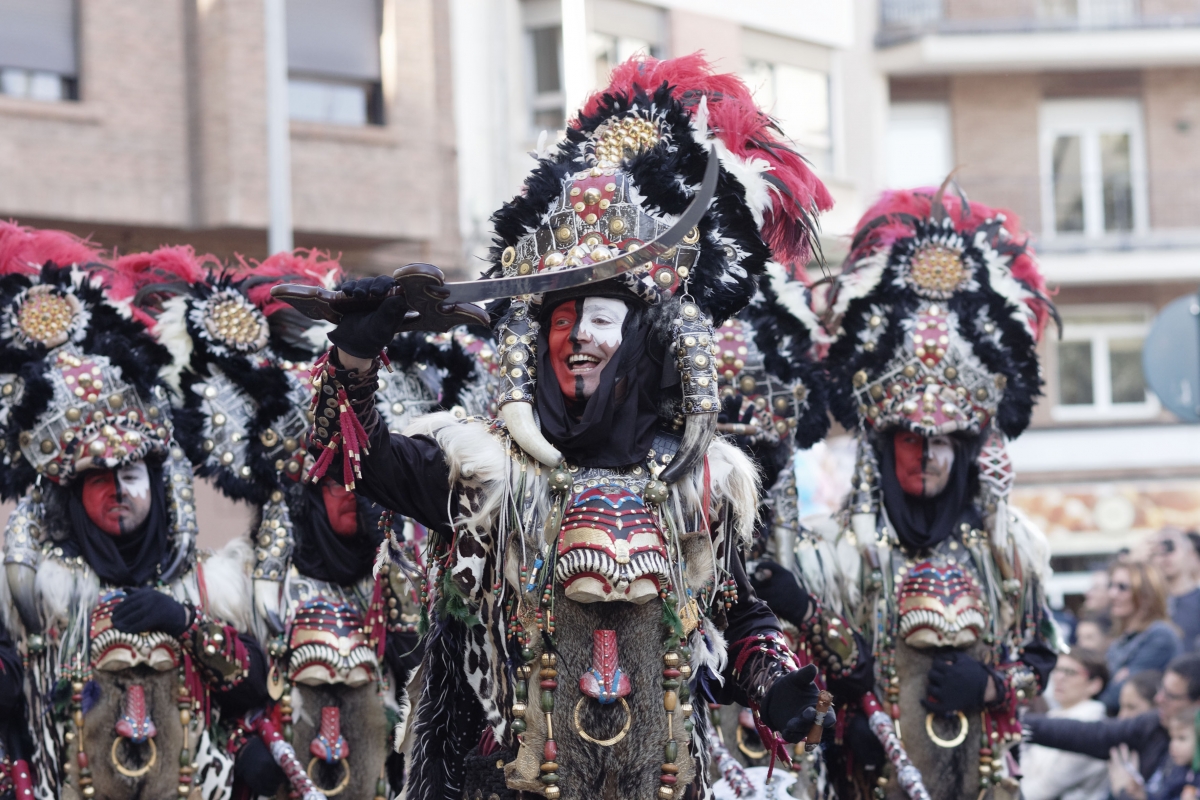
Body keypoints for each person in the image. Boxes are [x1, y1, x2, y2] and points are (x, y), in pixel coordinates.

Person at [286, 55, 835, 800]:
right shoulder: (481, 471)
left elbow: (733, 610)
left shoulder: (702, 482)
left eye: (601, 319)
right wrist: (356, 352)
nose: (578, 337)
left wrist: (772, 678)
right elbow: (356, 461)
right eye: (562, 318)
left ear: (647, 340)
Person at [789, 185, 1060, 800]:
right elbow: (800, 681)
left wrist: (990, 688)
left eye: (945, 441)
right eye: (911, 437)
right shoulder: (831, 555)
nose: (929, 453)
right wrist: (840, 728)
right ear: (883, 443)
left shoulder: (1008, 548)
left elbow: (1042, 658)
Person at [0, 230, 267, 800]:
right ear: (72, 493)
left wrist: (186, 623)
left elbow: (260, 687)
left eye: (129, 474)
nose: (117, 489)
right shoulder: (25, 589)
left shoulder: (207, 586)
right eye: (98, 478)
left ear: (158, 483)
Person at [1025, 653, 1200, 787]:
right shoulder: (1154, 724)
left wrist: (1126, 793)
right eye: (1162, 689)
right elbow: (1091, 735)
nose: (1159, 699)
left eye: (1171, 696)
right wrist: (1018, 723)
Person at [1021, 649, 1110, 800]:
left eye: (1069, 672)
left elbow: (1045, 789)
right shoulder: (1055, 714)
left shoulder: (1092, 725)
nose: (1059, 677)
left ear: (1094, 684)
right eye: (1057, 670)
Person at [1101, 561, 1183, 714]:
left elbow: (1117, 696)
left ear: (1146, 594)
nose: (1112, 594)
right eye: (1111, 586)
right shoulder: (1122, 639)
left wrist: (1112, 682)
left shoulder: (1160, 634)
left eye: (1122, 587)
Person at [1151, 528, 1200, 653]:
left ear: (1190, 554)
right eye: (1159, 551)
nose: (1165, 556)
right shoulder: (1146, 602)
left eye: (1171, 547)